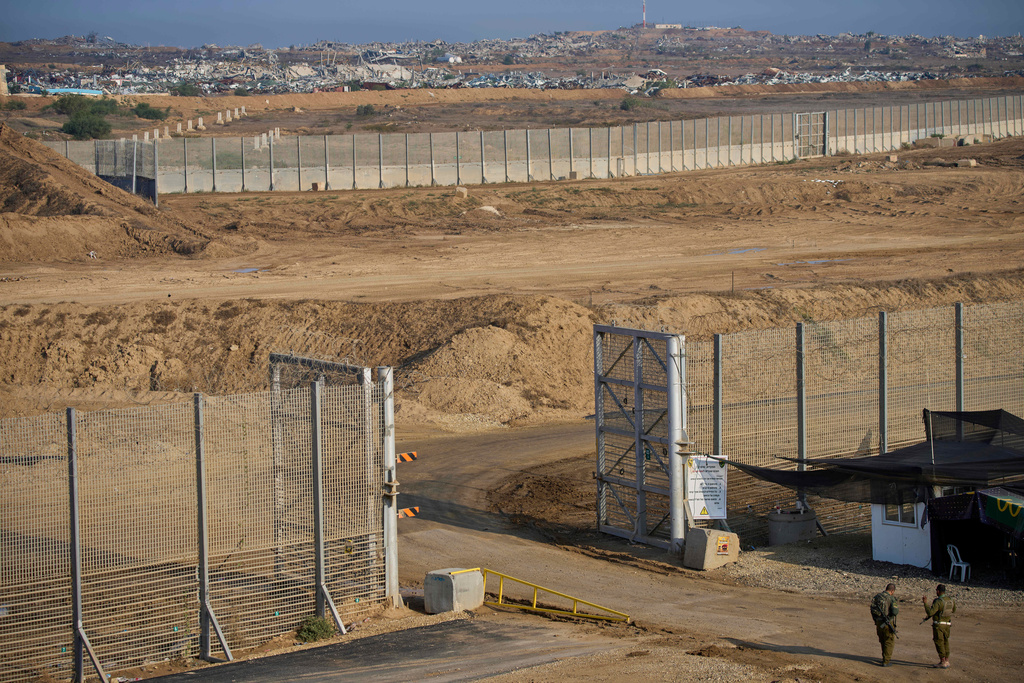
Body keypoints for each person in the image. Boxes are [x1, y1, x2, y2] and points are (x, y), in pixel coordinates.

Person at [922, 584, 957, 669]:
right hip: (947, 624)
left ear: (938, 591)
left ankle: (942, 661)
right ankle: (947, 660)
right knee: (946, 641)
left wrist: (925, 603)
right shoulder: (950, 600)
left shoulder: (938, 601)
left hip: (939, 625)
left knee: (939, 642)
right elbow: (954, 610)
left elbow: (930, 612)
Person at [870, 583, 899, 667]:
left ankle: (884, 657)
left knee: (882, 640)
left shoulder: (877, 597)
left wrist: (876, 620)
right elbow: (895, 611)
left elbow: (872, 609)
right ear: (892, 591)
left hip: (879, 622)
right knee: (889, 641)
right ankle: (886, 661)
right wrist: (889, 618)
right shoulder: (891, 598)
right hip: (887, 623)